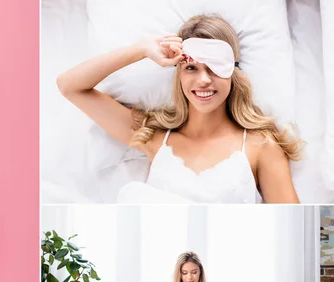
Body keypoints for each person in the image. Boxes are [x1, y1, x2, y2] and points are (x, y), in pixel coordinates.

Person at [57, 14, 302, 204]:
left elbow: (291, 223)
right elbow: (70, 86)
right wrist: (141, 49)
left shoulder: (260, 146)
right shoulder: (153, 137)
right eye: (191, 68)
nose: (204, 80)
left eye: (214, 67)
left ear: (233, 72)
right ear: (179, 74)